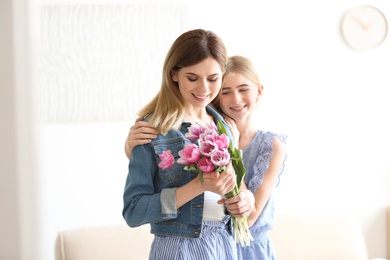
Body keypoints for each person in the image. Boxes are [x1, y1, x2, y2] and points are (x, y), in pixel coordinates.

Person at [125, 55, 287, 260]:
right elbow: (141, 198)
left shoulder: (262, 144)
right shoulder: (202, 132)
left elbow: (246, 217)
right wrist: (131, 148)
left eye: (243, 89)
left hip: (243, 244)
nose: (235, 99)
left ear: (259, 91)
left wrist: (234, 153)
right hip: (202, 243)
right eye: (226, 92)